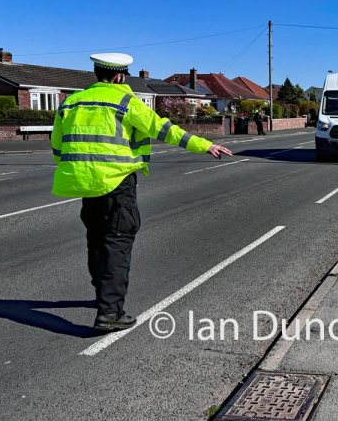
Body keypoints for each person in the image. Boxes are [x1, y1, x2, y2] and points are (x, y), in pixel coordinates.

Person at [50, 53, 232, 332]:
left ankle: (102, 295)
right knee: (117, 244)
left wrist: (80, 167)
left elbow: (57, 145)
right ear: (120, 76)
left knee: (96, 242)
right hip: (116, 182)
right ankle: (110, 312)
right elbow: (163, 129)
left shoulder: (71, 102)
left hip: (83, 183)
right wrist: (204, 145)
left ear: (97, 73)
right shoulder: (126, 102)